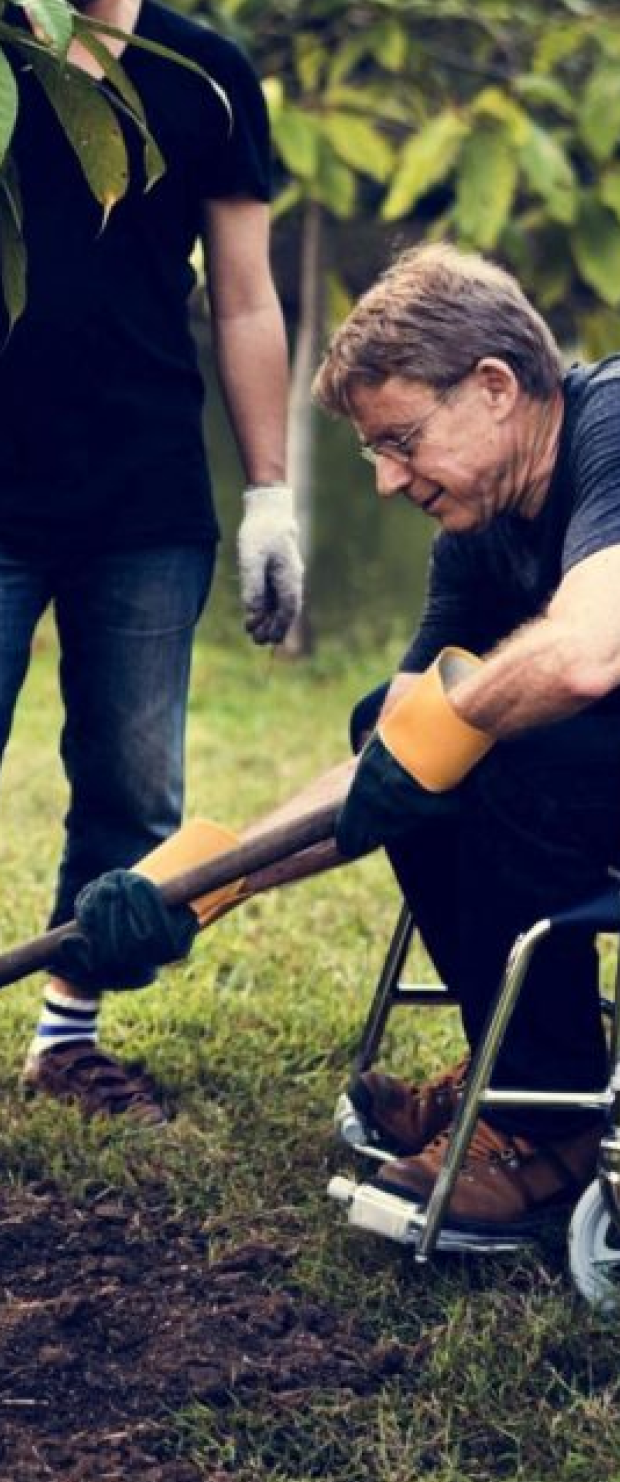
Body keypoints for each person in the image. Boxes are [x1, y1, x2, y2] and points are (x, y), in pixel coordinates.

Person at [2, 0, 302, 1123]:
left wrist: (270, 492)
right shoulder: (6, 58)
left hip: (142, 490)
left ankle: (67, 1036)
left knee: (135, 792)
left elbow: (241, 297)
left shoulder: (206, 75)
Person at [310, 241, 620, 1232]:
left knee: (506, 750)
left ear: (492, 386)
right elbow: (390, 747)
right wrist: (198, 886)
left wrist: (437, 739)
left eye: (399, 441)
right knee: (400, 728)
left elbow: (582, 657)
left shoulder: (610, 426)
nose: (387, 483)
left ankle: (542, 1117)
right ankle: (515, 1062)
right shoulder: (477, 529)